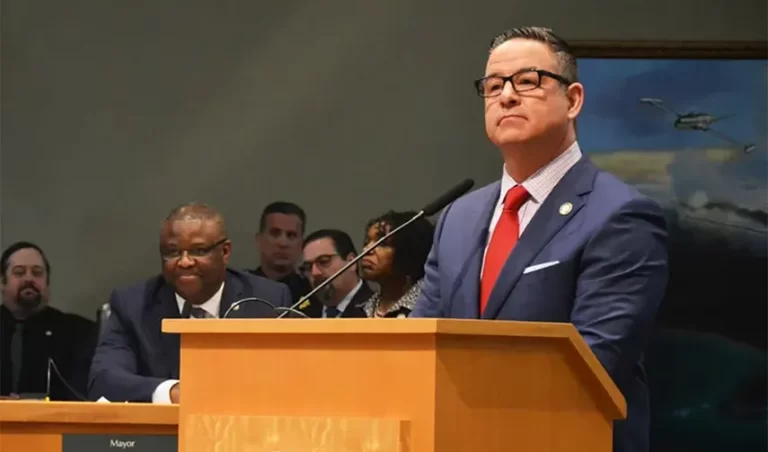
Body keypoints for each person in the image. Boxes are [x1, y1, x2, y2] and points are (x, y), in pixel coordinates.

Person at [409, 27, 668, 452]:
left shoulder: (620, 215)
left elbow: (594, 366)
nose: (506, 96)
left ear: (574, 100)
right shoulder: (459, 217)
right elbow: (422, 350)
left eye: (527, 81)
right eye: (493, 86)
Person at [88, 202, 292, 403]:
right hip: (165, 433)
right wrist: (170, 392)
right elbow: (104, 380)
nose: (184, 262)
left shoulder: (267, 300)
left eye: (199, 251)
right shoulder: (133, 305)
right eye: (172, 252)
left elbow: (288, 380)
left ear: (225, 252)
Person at [0, 241, 96, 400]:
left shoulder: (78, 332)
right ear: (3, 281)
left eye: (37, 272)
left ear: (47, 282)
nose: (29, 278)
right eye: (19, 272)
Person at [360, 211, 434, 318]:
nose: (366, 250)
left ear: (409, 251)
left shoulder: (429, 306)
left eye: (382, 243)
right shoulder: (363, 309)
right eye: (367, 242)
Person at [298, 229, 373, 318]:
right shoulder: (302, 314)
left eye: (324, 261)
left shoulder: (376, 309)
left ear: (351, 262)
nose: (315, 273)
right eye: (308, 267)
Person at [250, 201, 311, 304]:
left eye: (291, 235)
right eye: (275, 233)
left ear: (302, 245)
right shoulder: (240, 288)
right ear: (259, 240)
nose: (283, 243)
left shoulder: (313, 293)